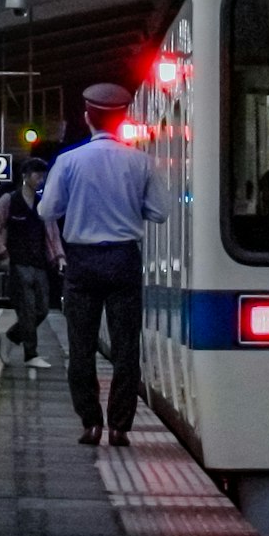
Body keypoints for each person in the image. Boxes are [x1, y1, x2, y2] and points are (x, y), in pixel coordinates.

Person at [39, 81, 168, 447]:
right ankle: (120, 427)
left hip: (82, 262)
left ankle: (90, 423)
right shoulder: (141, 162)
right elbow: (161, 211)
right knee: (126, 348)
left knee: (80, 346)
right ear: (124, 117)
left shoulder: (68, 161)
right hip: (124, 259)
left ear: (86, 117)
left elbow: (48, 210)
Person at [0, 160, 58, 371]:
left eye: (43, 176)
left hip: (39, 262)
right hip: (18, 262)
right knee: (27, 309)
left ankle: (9, 338)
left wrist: (58, 256)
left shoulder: (44, 203)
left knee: (42, 309)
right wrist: (2, 252)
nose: (41, 180)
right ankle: (30, 354)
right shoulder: (9, 200)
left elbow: (52, 233)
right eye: (37, 175)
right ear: (25, 175)